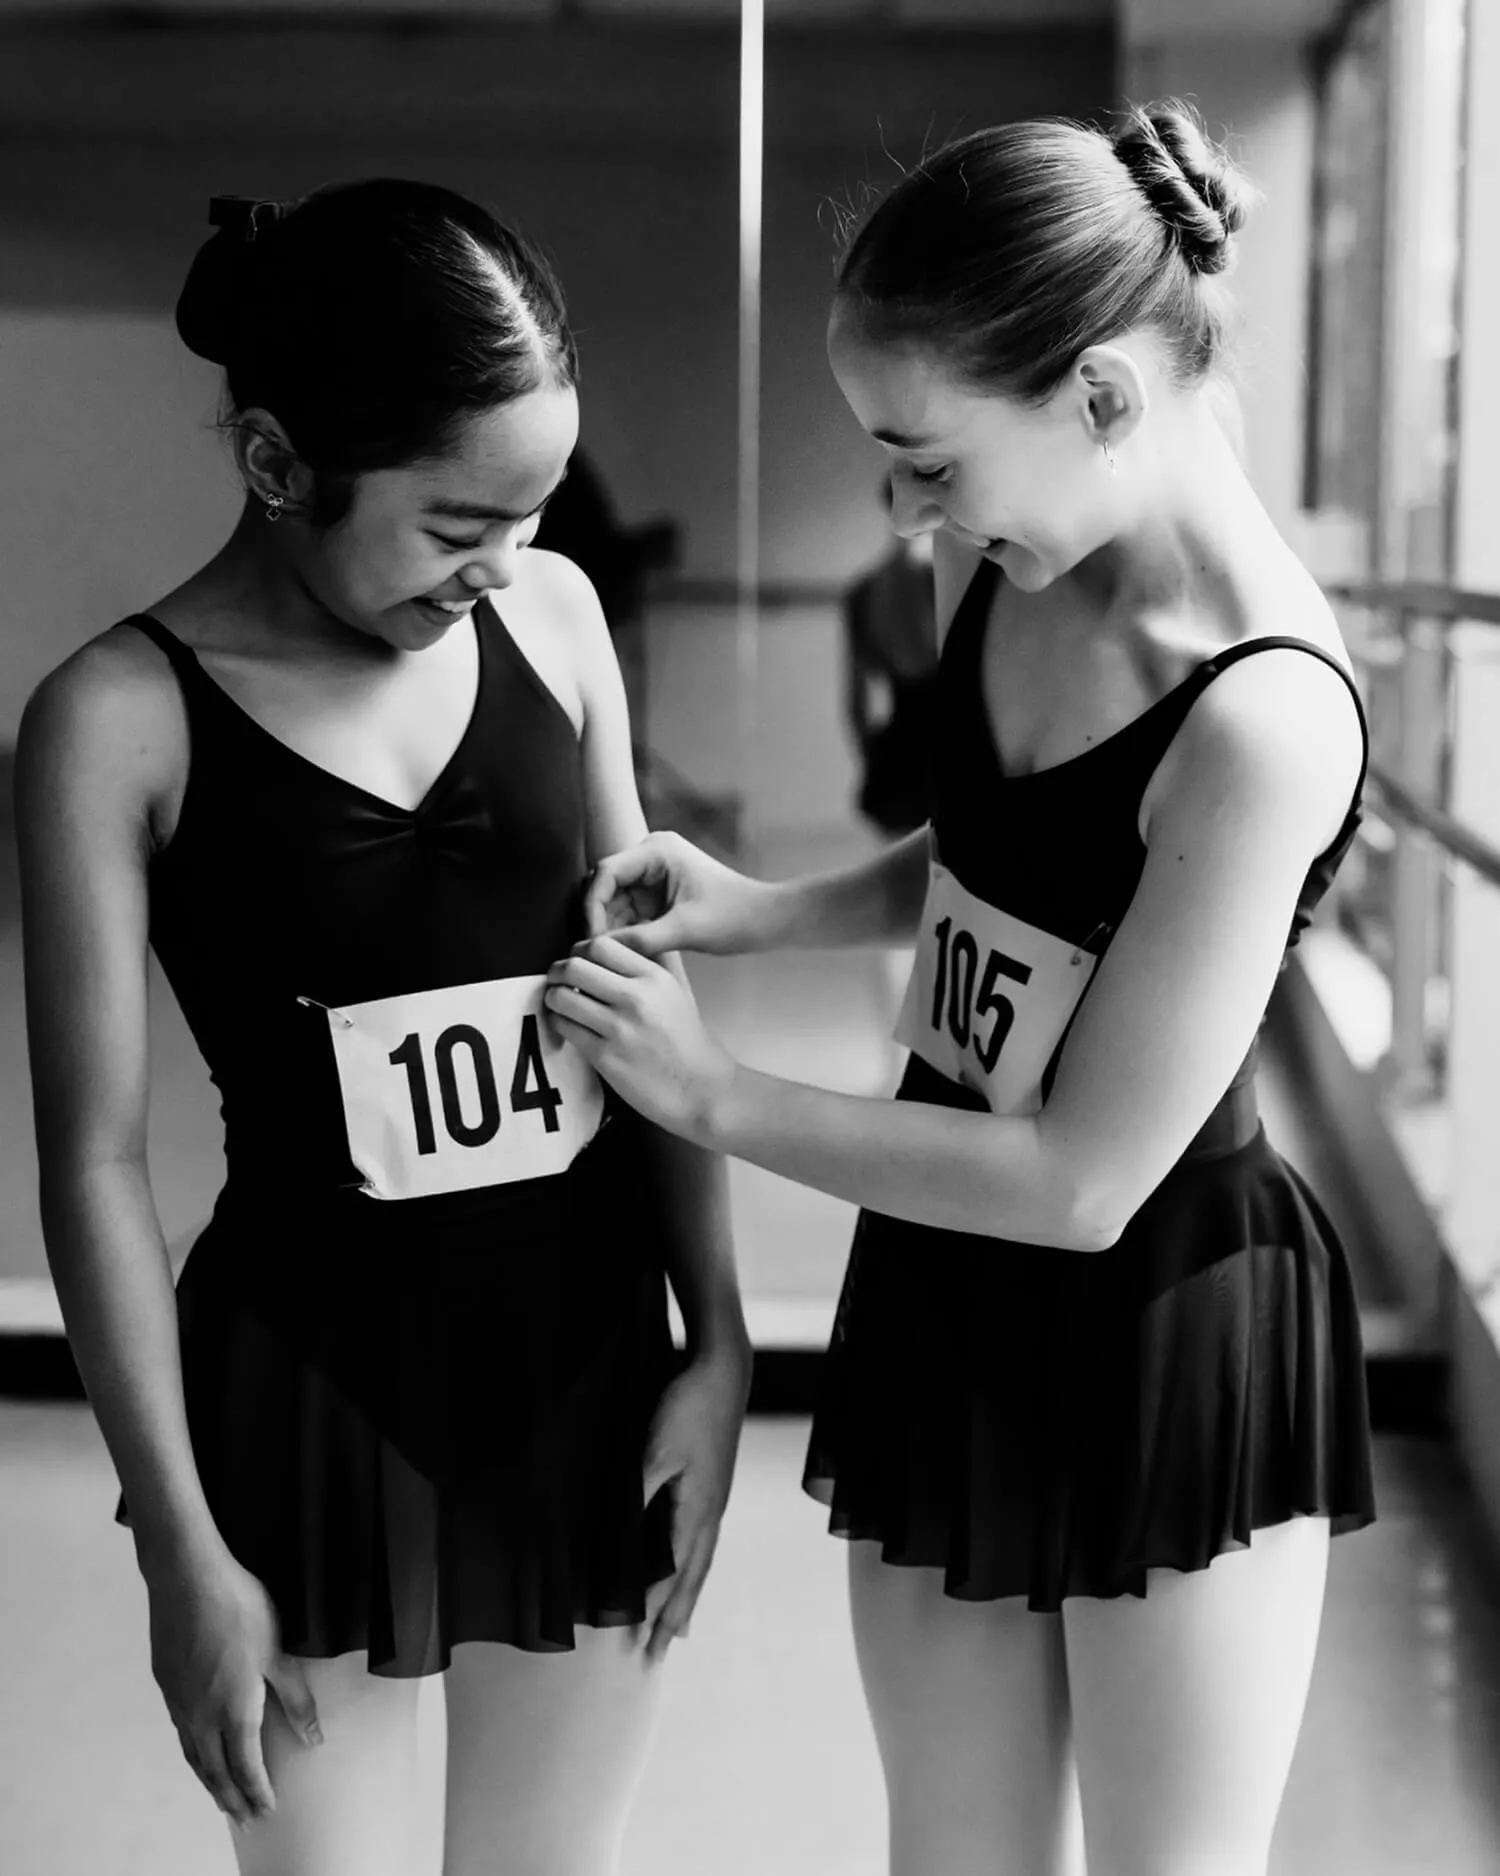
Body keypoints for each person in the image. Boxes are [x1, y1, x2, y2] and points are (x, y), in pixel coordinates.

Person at [544, 104, 1376, 1876]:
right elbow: (1008, 854)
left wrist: (713, 1098)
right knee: (956, 1857)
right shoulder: (1000, 559)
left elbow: (1083, 1182)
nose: (900, 507)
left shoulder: (1264, 717)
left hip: (1163, 1315)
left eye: (927, 459)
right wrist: (758, 910)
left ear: (1099, 399)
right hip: (945, 1279)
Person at [16, 180, 749, 1876]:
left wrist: (716, 1340)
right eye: (451, 527)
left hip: (586, 1372)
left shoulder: (553, 620)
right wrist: (178, 1545)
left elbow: (649, 1004)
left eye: (536, 510)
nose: (502, 565)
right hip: (312, 1402)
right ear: (276, 464)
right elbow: (97, 1159)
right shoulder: (114, 724)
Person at [843, 476, 939, 841]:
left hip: (897, 752)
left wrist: (873, 760)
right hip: (949, 749)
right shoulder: (939, 581)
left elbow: (856, 704)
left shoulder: (864, 591)